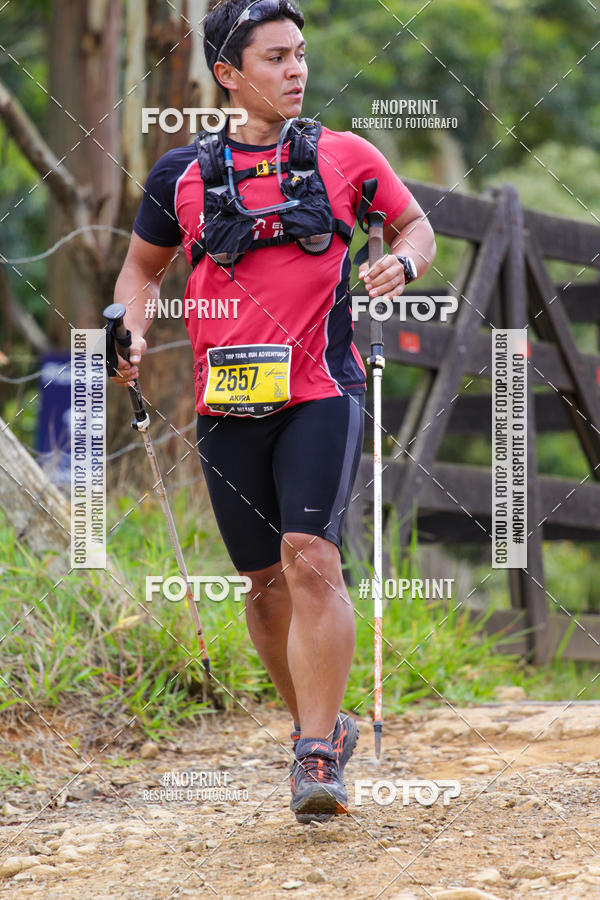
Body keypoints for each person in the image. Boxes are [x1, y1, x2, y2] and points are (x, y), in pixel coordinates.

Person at [111, 0, 436, 823]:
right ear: (227, 73)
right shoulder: (178, 175)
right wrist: (132, 329)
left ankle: (315, 754)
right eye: (274, 58)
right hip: (228, 404)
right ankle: (317, 727)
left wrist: (401, 261)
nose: (296, 71)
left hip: (323, 389)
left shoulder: (347, 156)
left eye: (300, 55)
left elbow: (416, 226)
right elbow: (139, 273)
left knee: (310, 557)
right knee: (262, 585)